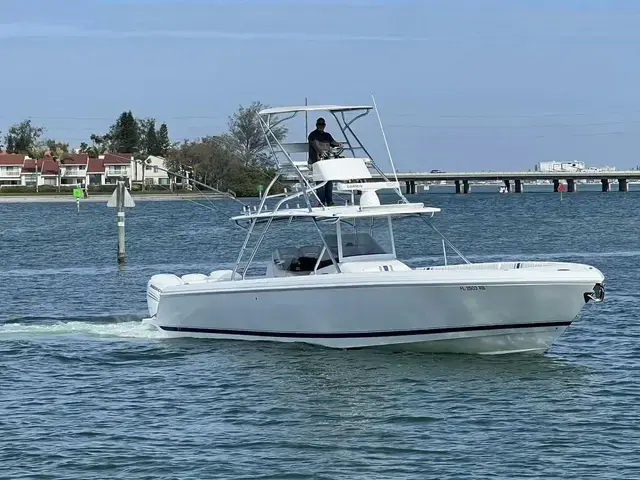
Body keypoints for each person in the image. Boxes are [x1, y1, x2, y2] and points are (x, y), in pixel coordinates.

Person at [308, 117, 341, 206]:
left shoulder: (327, 135)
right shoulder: (312, 135)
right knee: (320, 181)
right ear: (316, 125)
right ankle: (321, 202)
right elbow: (315, 145)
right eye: (319, 124)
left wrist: (338, 144)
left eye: (322, 124)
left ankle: (329, 201)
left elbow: (332, 142)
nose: (321, 126)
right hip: (316, 160)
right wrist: (321, 152)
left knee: (329, 181)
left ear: (325, 125)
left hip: (327, 161)